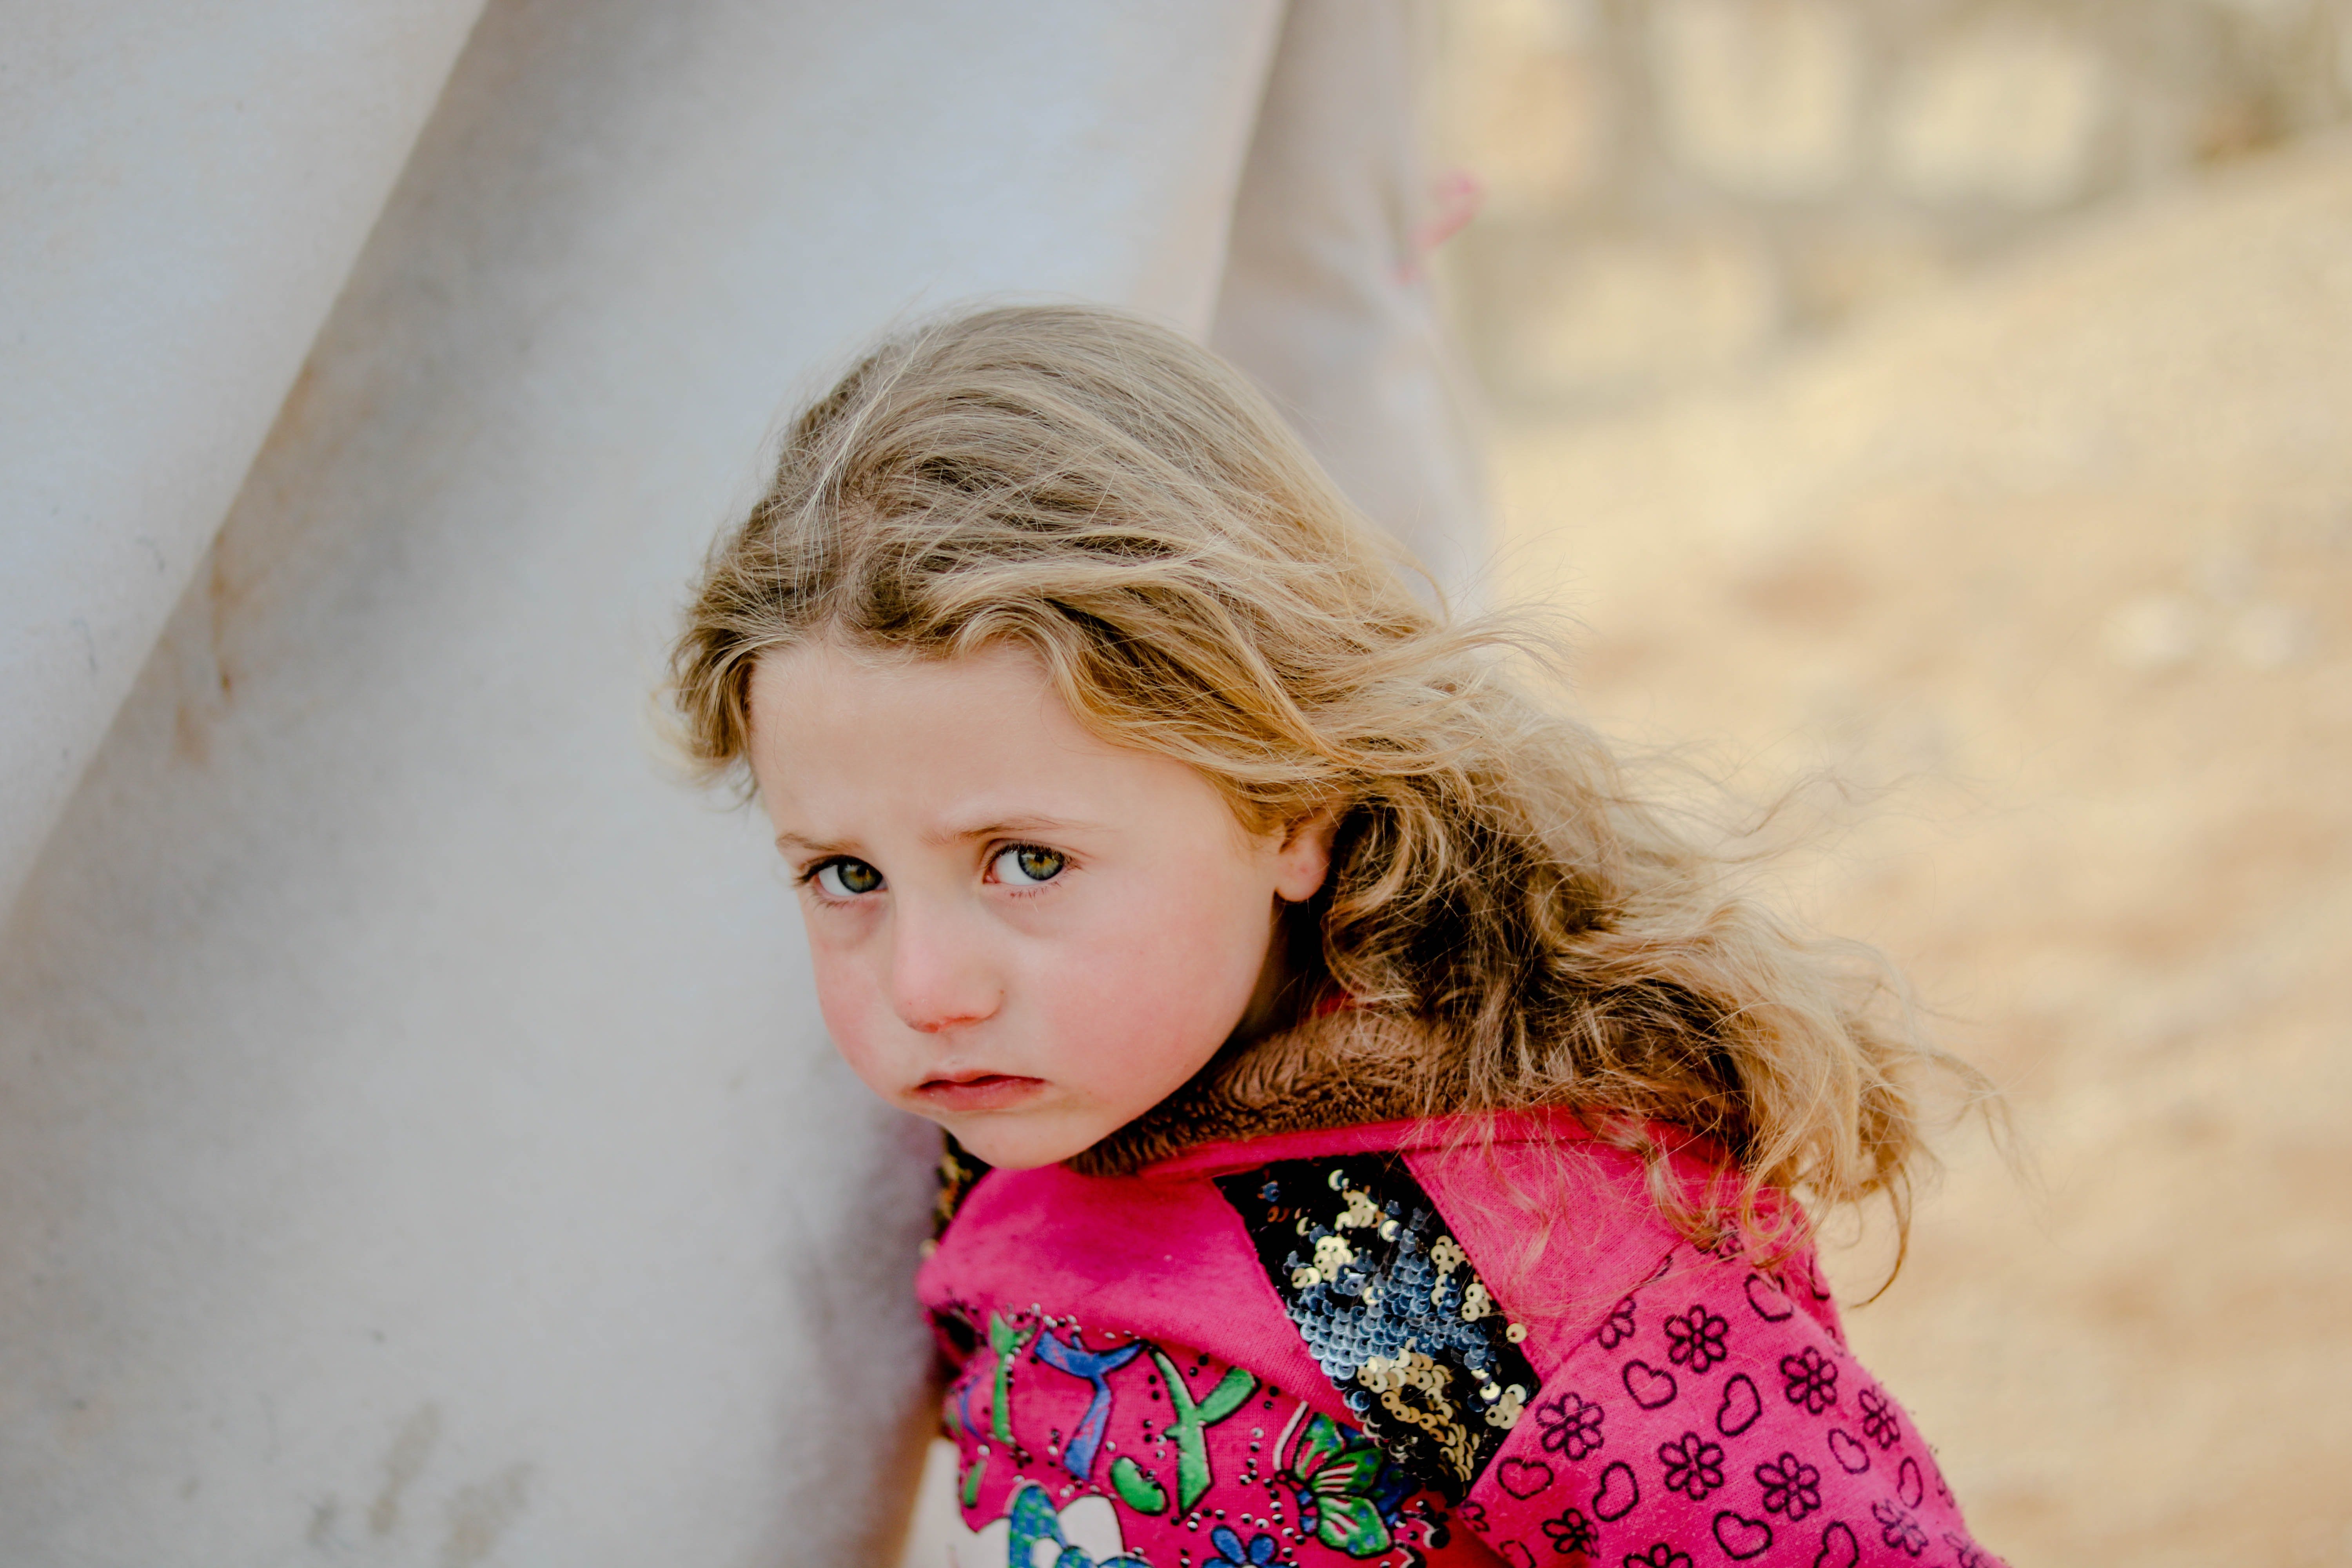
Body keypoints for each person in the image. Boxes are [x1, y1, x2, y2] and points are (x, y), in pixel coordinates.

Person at [668, 303, 2003, 1568]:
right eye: (847, 875)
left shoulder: (1487, 1264)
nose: (926, 987)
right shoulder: (1005, 1143)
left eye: (1027, 863)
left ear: (1289, 803)